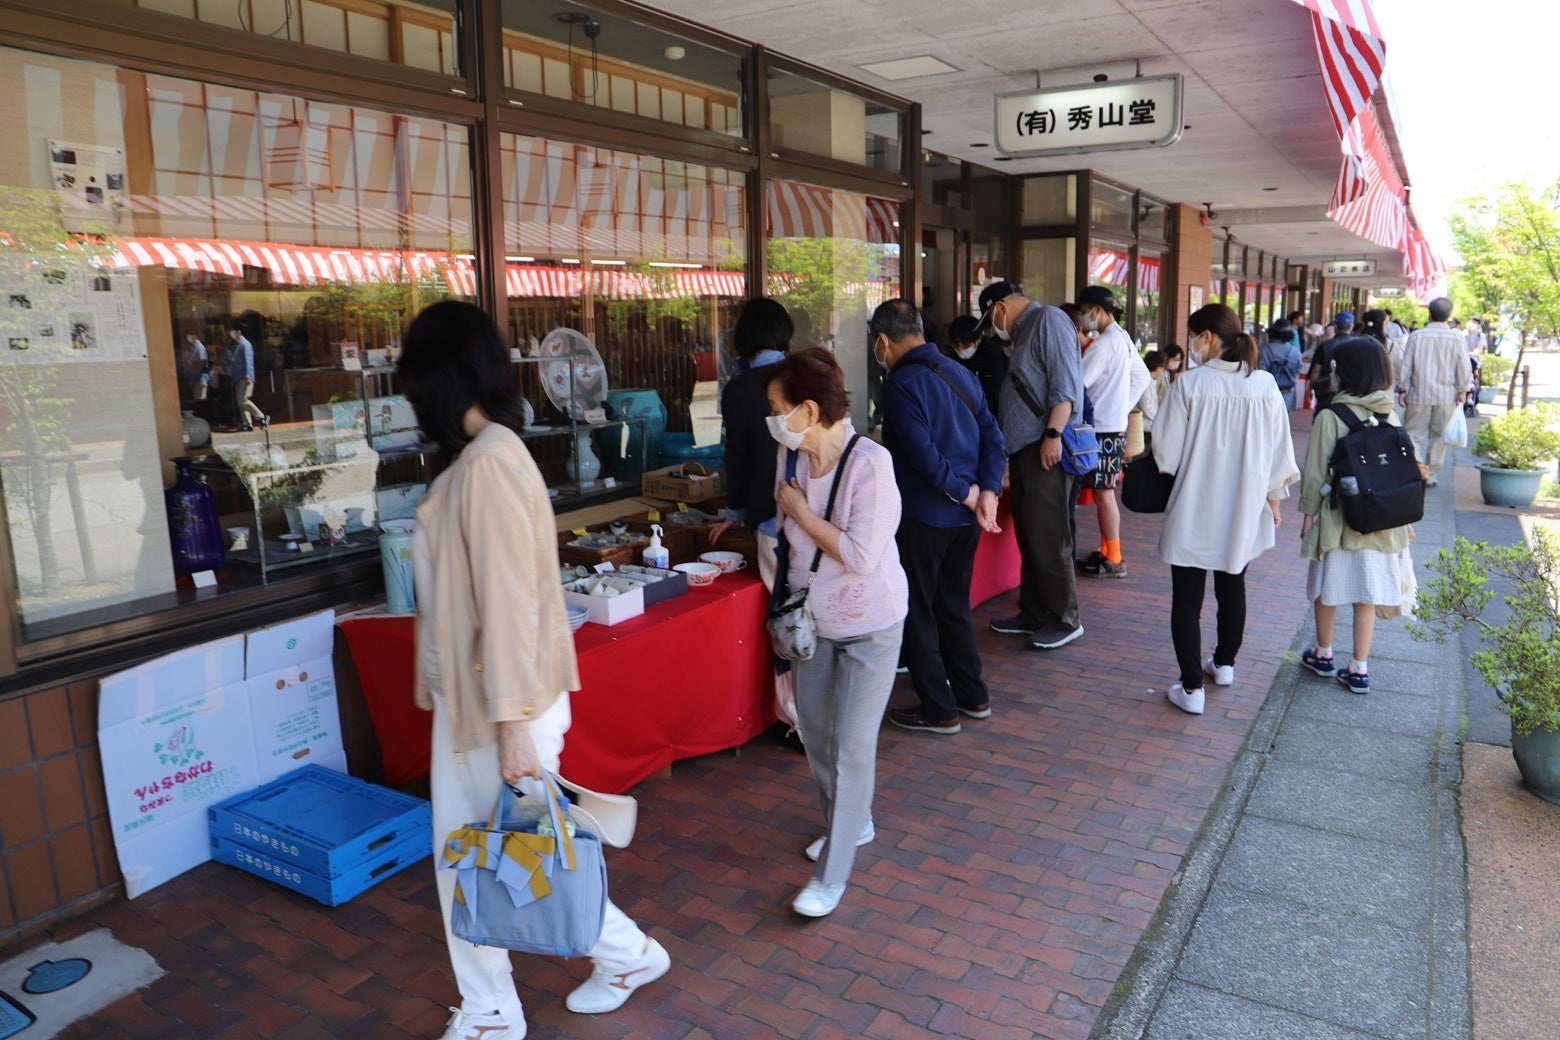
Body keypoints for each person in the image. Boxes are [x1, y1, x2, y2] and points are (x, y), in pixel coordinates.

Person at [399, 301, 670, 1040]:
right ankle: (625, 957)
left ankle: (494, 1008)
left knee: (479, 859)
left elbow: (507, 601)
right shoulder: (494, 454)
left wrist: (512, 722)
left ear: (437, 380)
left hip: (495, 706)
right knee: (513, 854)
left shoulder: (486, 464)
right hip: (495, 701)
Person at [767, 347, 907, 917]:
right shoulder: (791, 457)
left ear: (807, 409)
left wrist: (803, 514)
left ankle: (832, 876)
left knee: (851, 746)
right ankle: (852, 822)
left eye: (778, 408)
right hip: (813, 625)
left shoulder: (871, 463)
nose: (773, 420)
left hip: (872, 625)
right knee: (818, 737)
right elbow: (788, 536)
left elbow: (861, 555)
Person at [1152, 303, 1299, 715]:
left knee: (1187, 599)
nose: (1191, 344)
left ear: (1208, 338)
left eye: (1193, 336)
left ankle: (1191, 688)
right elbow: (1280, 452)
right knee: (1233, 586)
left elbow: (1165, 455)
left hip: (1194, 505)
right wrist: (1274, 499)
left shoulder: (1189, 385)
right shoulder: (1264, 385)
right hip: (1243, 507)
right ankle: (1225, 664)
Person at [871, 299, 1004, 735]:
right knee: (952, 606)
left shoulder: (901, 383)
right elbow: (993, 438)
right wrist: (986, 491)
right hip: (965, 521)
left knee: (917, 610)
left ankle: (938, 707)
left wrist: (970, 495)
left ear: (883, 341)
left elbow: (923, 457)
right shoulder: (959, 371)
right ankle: (972, 695)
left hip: (926, 517)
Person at [1297, 336, 1415, 694]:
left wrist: (1308, 514)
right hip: (1381, 522)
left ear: (1345, 372)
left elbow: (1315, 472)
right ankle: (1359, 668)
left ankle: (1324, 653)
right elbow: (1400, 473)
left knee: (1327, 588)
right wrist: (1405, 521)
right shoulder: (1390, 414)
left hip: (1339, 520)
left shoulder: (1330, 416)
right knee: (1367, 595)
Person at [981, 281, 1087, 650]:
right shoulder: (1027, 331)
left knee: (1049, 536)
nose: (994, 327)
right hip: (1026, 449)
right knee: (1031, 536)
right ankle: (1034, 610)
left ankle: (1065, 618)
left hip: (1045, 448)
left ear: (1000, 307)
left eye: (991, 318)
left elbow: (1065, 387)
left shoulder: (1048, 321)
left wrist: (1053, 435)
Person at [709, 298, 793, 584]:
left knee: (785, 600)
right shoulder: (805, 375)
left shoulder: (739, 388)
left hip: (769, 512)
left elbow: (737, 455)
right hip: (817, 508)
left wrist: (734, 512)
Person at [1074, 285, 1145, 579]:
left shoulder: (1104, 344)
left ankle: (1114, 558)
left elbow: (1077, 383)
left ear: (1097, 310)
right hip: (1113, 429)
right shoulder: (1123, 338)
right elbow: (1142, 377)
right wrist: (1120, 407)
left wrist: (1115, 407)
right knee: (1104, 493)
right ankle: (1107, 551)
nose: (1082, 317)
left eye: (1083, 311)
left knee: (1103, 495)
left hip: (1100, 430)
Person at [1397, 297, 1468, 488]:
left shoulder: (1416, 336)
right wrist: (1463, 390)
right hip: (1447, 395)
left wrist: (1402, 388)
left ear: (1429, 314)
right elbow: (1463, 366)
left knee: (1413, 433)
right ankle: (1431, 474)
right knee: (1439, 436)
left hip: (1418, 393)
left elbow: (1406, 365)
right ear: (1449, 315)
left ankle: (1417, 466)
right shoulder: (1456, 338)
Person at [945, 313, 1008, 417]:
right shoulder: (951, 357)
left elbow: (994, 393)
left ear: (978, 339)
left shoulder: (992, 355)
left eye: (965, 345)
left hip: (989, 412)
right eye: (956, 345)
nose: (960, 349)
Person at [1306, 312, 1352, 416]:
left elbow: (1316, 369)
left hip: (1327, 389)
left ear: (1335, 327)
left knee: (1323, 416)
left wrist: (1310, 389)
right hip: (1350, 390)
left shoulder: (1325, 346)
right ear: (1351, 326)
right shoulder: (1359, 345)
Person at [227, 325, 267, 431]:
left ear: (239, 332)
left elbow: (249, 361)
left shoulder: (245, 344)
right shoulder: (236, 346)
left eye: (233, 331)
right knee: (240, 403)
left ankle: (261, 417)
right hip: (238, 378)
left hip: (245, 377)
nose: (231, 334)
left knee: (243, 400)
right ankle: (247, 424)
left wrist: (249, 376)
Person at [1258, 319, 1303, 410]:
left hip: (1268, 392)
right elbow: (1299, 371)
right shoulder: (1295, 352)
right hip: (1288, 392)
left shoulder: (1265, 350)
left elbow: (1261, 370)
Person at [181, 333, 210, 401]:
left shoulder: (199, 348)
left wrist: (202, 379)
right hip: (196, 378)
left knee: (200, 400)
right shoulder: (194, 347)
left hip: (200, 379)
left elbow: (202, 364)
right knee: (197, 398)